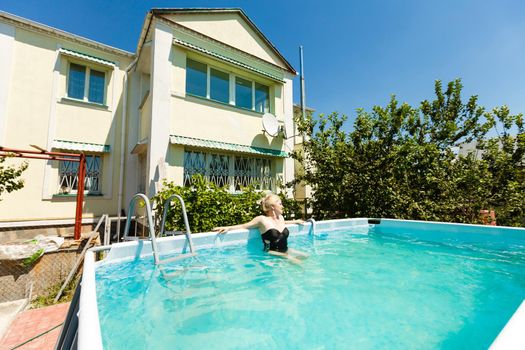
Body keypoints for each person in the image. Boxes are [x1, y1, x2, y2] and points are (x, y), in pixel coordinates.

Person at [213, 193, 308, 263]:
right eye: (280, 204)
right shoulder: (261, 220)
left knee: (306, 256)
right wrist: (228, 228)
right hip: (271, 253)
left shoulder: (281, 218)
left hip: (285, 250)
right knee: (297, 263)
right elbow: (244, 225)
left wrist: (296, 221)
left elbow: (284, 223)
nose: (282, 206)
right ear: (272, 207)